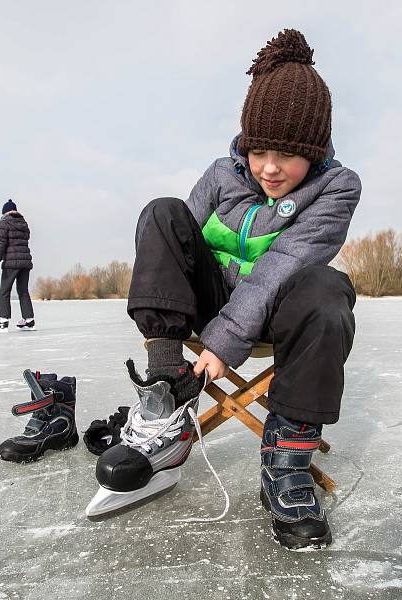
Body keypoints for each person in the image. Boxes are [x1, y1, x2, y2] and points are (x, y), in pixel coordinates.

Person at [96, 29, 360, 549]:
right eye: (257, 150)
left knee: (328, 290)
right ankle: (166, 398)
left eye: (285, 154)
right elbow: (179, 244)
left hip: (273, 315)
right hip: (210, 305)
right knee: (163, 213)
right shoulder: (222, 174)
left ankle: (287, 459)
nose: (268, 167)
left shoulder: (336, 187)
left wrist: (222, 343)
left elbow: (281, 265)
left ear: (313, 149)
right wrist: (184, 338)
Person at [0, 199, 36, 331]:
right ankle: (29, 320)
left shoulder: (4, 223)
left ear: (5, 212)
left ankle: (3, 320)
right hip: (25, 262)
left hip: (11, 262)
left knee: (4, 291)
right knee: (23, 291)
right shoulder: (24, 224)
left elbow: (1, 243)